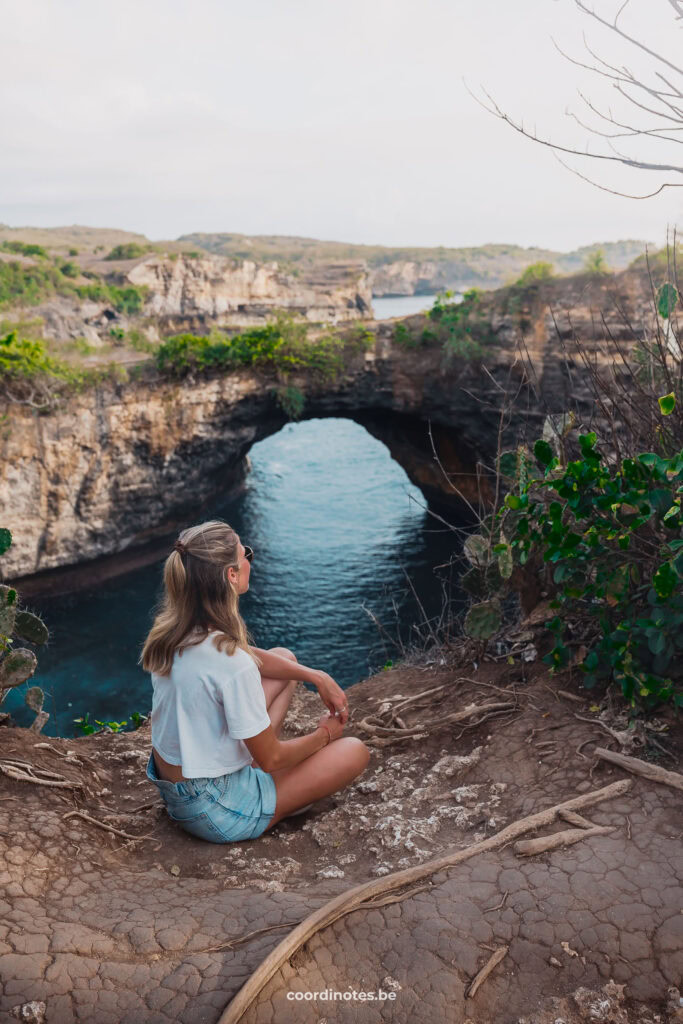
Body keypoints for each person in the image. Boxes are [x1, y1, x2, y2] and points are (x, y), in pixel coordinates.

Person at [139, 519, 370, 842]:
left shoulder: (172, 634)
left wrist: (314, 675)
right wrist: (325, 735)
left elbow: (247, 655)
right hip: (217, 809)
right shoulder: (233, 664)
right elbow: (272, 757)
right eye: (244, 553)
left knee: (285, 661)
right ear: (231, 575)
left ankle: (261, 779)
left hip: (179, 792)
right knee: (355, 751)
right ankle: (272, 807)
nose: (249, 558)